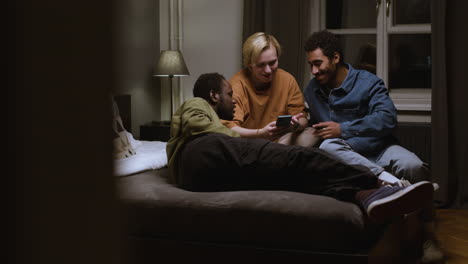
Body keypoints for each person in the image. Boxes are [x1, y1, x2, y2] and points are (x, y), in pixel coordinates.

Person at [166, 72, 434, 223]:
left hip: (206, 172)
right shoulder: (196, 105)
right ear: (213, 96)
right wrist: (250, 141)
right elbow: (198, 126)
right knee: (297, 157)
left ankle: (364, 195)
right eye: (227, 94)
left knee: (293, 176)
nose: (233, 100)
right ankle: (382, 184)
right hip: (201, 154)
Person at [302, 30, 443, 263]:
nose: (314, 71)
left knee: (414, 166)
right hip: (347, 156)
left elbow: (387, 118)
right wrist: (303, 121)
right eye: (310, 65)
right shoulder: (312, 89)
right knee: (327, 147)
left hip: (381, 149)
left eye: (318, 64)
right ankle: (393, 184)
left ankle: (428, 237)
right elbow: (321, 126)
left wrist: (344, 129)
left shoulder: (368, 82)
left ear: (335, 58)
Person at [222, 32, 318, 146]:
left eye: (272, 63)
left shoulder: (287, 80)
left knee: (313, 134)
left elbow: (303, 119)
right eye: (261, 65)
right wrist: (261, 133)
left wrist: (295, 125)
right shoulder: (237, 84)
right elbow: (230, 129)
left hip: (280, 142)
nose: (268, 70)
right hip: (249, 143)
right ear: (249, 64)